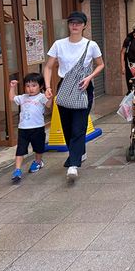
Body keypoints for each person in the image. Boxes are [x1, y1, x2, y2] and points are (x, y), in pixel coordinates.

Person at [44, 11, 106, 181]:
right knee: (67, 126)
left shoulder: (91, 45)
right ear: (68, 25)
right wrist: (48, 87)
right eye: (72, 22)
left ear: (84, 25)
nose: (75, 26)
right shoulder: (59, 44)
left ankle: (73, 164)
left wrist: (90, 77)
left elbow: (100, 64)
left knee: (78, 126)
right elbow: (48, 66)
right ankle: (80, 152)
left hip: (83, 87)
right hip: (64, 87)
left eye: (78, 23)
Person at [9, 73, 48, 183]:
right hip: (23, 128)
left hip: (37, 127)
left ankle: (38, 162)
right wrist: (12, 87)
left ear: (40, 86)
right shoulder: (23, 97)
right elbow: (12, 98)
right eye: (28, 86)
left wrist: (49, 96)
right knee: (20, 149)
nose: (30, 89)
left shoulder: (41, 97)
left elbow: (49, 105)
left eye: (34, 85)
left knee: (38, 147)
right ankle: (17, 170)